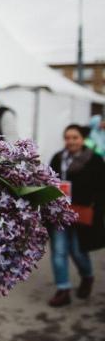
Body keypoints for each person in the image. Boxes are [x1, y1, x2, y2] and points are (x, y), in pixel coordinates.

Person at [47, 124, 104, 306]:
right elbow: (48, 180)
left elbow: (101, 189)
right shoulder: (58, 157)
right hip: (60, 213)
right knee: (59, 251)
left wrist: (97, 210)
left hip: (82, 213)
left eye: (75, 137)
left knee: (78, 252)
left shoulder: (94, 160)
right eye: (68, 138)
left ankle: (87, 277)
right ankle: (63, 289)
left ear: (82, 139)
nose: (71, 141)